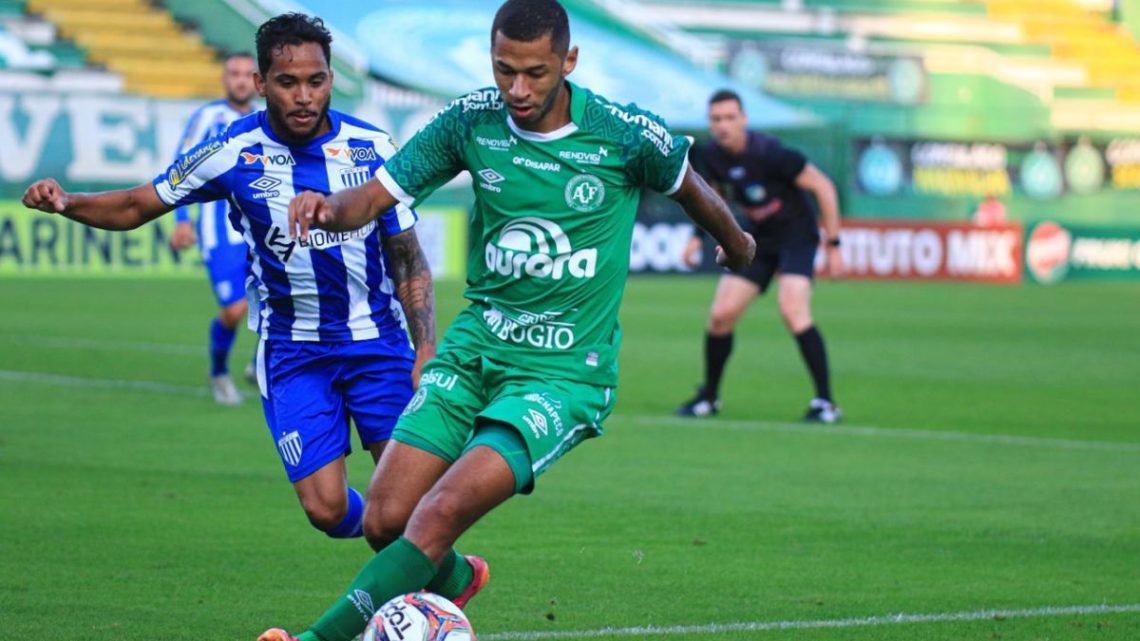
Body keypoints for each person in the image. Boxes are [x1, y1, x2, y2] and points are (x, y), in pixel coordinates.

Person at [256, 2, 756, 641]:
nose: (517, 90)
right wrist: (327, 208)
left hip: (561, 375)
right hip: (476, 348)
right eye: (504, 71)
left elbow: (691, 186)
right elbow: (376, 197)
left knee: (434, 515)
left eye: (535, 73)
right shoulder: (471, 122)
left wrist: (737, 245)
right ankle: (456, 581)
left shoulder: (625, 135)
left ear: (568, 62)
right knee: (384, 520)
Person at [22, 14, 440, 546]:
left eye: (316, 81)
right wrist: (67, 203)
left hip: (378, 343)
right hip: (293, 351)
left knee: (399, 506)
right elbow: (136, 204)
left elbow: (407, 256)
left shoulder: (374, 147)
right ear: (262, 84)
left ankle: (424, 608)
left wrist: (425, 346)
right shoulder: (230, 150)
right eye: (288, 83)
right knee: (328, 511)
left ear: (331, 79)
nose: (305, 96)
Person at [675, 89, 844, 423]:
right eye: (716, 119)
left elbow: (823, 186)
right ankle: (709, 397)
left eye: (729, 118)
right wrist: (698, 237)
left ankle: (826, 402)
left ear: (744, 120)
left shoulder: (772, 153)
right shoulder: (711, 156)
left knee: (793, 310)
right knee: (721, 315)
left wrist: (834, 244)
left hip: (797, 235)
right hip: (759, 240)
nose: (723, 125)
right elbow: (713, 197)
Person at [168, 51, 259, 405]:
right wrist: (181, 221)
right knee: (235, 309)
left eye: (244, 73)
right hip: (218, 227)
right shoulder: (208, 117)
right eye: (232, 73)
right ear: (224, 78)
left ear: (256, 79)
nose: (238, 79)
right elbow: (180, 167)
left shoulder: (265, 119)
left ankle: (259, 364)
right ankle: (219, 370)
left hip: (260, 227)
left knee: (279, 299)